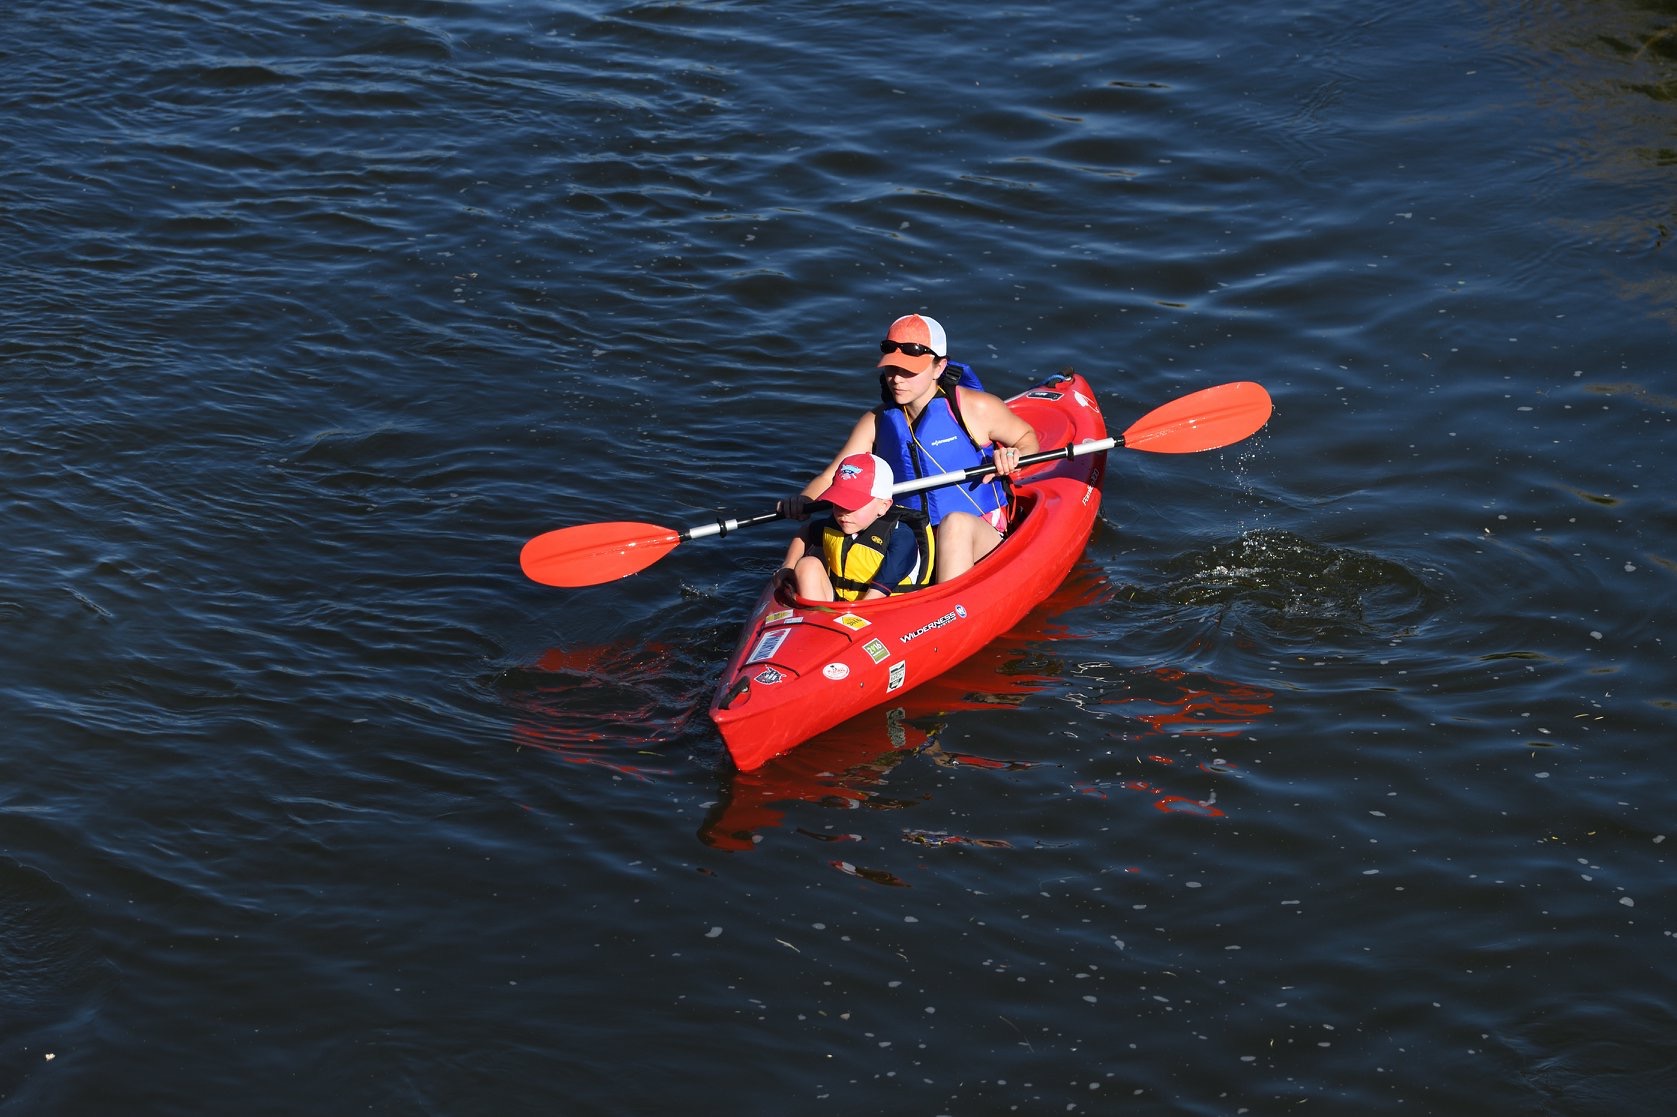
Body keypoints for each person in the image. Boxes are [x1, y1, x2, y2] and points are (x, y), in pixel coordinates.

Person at [786, 313, 1039, 583]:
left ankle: (946, 610)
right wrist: (805, 501)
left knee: (955, 525)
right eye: (892, 369)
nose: (897, 379)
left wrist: (1014, 455)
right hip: (910, 538)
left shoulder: (976, 408)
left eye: (909, 371)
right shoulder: (876, 421)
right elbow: (833, 476)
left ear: (939, 367)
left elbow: (1027, 438)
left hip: (978, 533)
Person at [777, 453, 934, 602]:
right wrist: (788, 565)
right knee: (807, 564)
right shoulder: (835, 525)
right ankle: (816, 617)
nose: (844, 513)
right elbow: (806, 532)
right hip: (839, 605)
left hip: (885, 608)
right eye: (838, 503)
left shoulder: (901, 537)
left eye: (853, 504)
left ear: (884, 506)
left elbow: (877, 594)